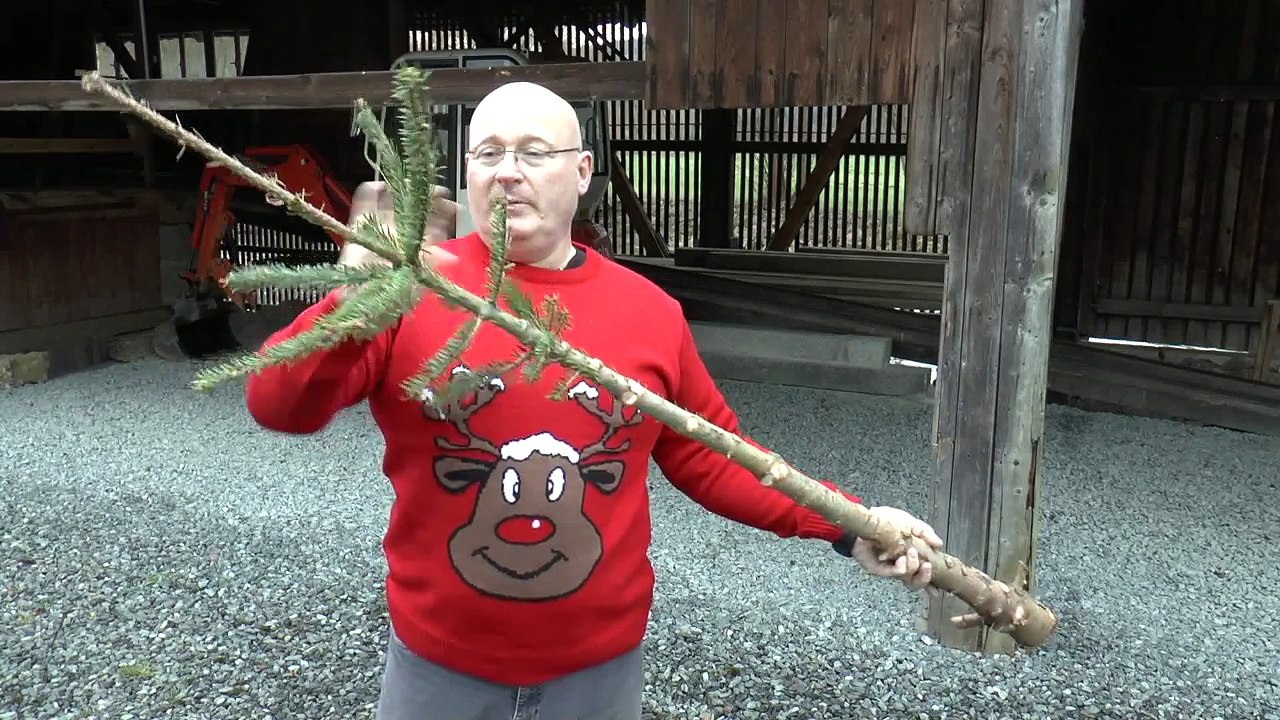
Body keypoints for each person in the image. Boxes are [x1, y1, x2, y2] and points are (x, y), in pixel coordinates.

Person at [244, 81, 944, 720]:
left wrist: (847, 524)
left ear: (582, 173)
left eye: (534, 151)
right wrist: (351, 304)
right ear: (465, 173)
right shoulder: (408, 290)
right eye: (488, 152)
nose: (508, 170)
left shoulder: (647, 312)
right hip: (438, 668)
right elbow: (279, 404)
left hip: (597, 676)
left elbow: (715, 457)